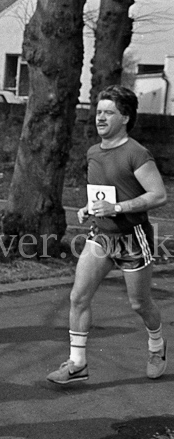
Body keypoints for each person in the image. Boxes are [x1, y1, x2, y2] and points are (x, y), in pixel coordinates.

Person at [47, 85, 167, 385]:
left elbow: (158, 195)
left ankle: (156, 346)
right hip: (100, 236)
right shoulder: (93, 152)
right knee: (78, 297)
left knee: (139, 303)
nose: (100, 118)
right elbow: (102, 193)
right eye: (98, 112)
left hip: (132, 236)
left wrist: (118, 207)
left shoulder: (136, 153)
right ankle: (77, 364)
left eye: (108, 112)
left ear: (124, 117)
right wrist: (89, 208)